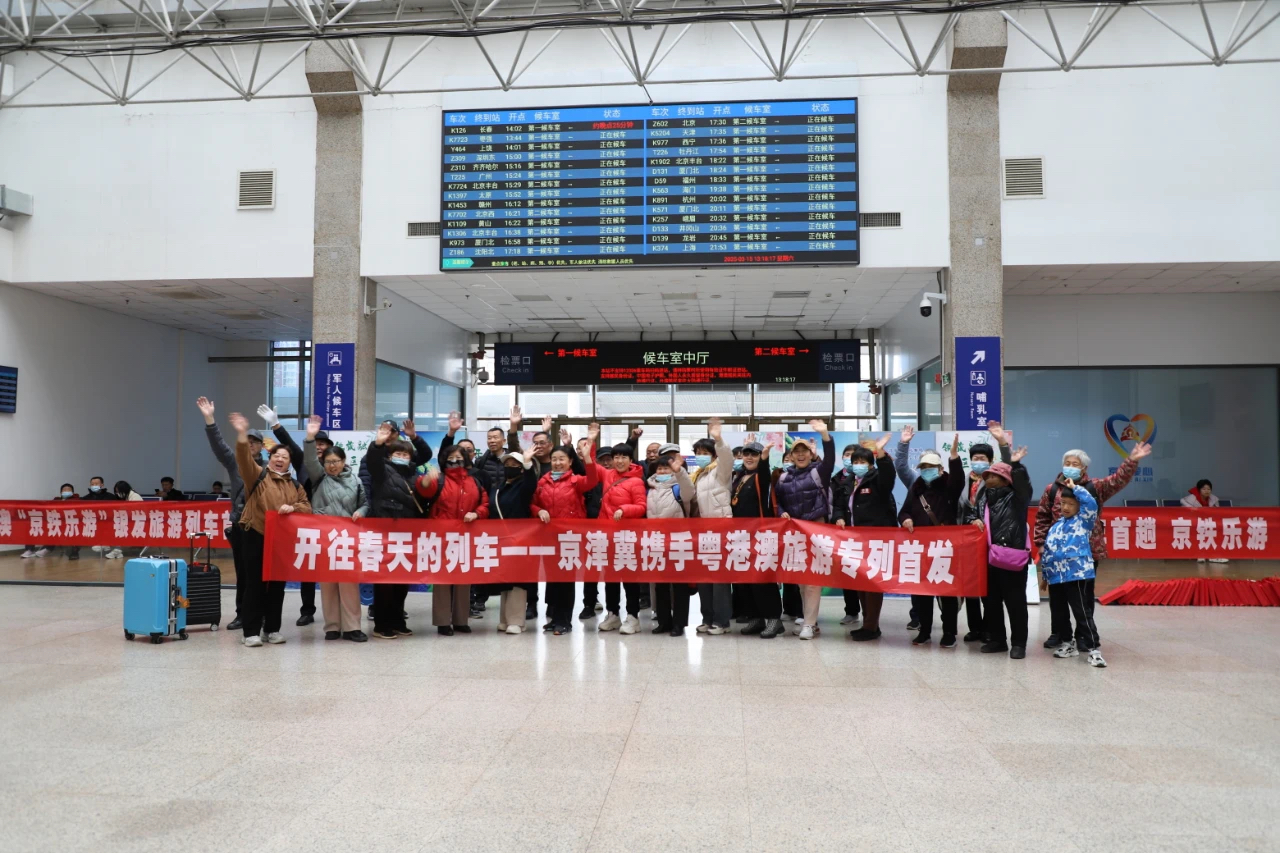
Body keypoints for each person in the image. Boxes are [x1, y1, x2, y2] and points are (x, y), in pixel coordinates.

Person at [1033, 440, 1150, 651]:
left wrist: (1131, 460)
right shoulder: (1052, 489)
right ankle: (1059, 633)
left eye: (1075, 464)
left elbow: (1118, 480)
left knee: (1083, 598)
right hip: (1057, 555)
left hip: (1085, 554)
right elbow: (1042, 518)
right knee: (1057, 597)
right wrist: (1041, 544)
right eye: (1067, 463)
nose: (1070, 467)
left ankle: (1083, 636)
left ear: (1084, 468)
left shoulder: (1095, 487)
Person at [229, 410, 311, 648]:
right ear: (270, 457)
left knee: (277, 586)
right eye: (277, 455)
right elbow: (243, 458)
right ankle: (250, 632)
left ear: (289, 462)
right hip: (255, 534)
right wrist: (242, 434)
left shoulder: (295, 485)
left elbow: (307, 508)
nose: (280, 459)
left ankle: (272, 629)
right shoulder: (257, 475)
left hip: (281, 540)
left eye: (285, 457)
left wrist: (293, 507)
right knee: (254, 584)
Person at [960, 451, 1033, 659]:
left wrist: (1016, 465)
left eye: (993, 475)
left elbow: (1024, 485)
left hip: (1011, 558)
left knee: (1015, 603)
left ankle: (1019, 644)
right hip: (988, 558)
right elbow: (971, 514)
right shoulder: (983, 498)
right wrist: (973, 520)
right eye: (987, 476)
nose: (988, 478)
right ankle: (998, 640)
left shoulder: (1017, 498)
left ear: (1005, 479)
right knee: (991, 602)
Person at [303, 416, 368, 642]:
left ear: (343, 461)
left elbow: (365, 503)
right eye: (328, 461)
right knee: (328, 584)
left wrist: (362, 511)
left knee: (349, 584)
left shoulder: (356, 481)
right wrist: (310, 437)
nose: (332, 465)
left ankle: (352, 627)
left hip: (348, 538)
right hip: (324, 538)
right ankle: (332, 626)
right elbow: (310, 460)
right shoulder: (319, 477)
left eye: (336, 461)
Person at [256, 404, 322, 628]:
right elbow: (289, 444)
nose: (320, 448)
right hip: (295, 521)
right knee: (290, 566)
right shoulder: (303, 462)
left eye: (324, 445)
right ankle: (275, 612)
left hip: (323, 523)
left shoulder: (333, 466)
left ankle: (311, 610)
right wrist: (275, 424)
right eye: (317, 444)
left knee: (313, 568)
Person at [896, 435, 966, 647]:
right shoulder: (916, 489)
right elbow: (904, 511)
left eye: (931, 467)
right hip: (921, 549)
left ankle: (949, 633)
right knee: (923, 593)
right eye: (924, 467)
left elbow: (958, 480)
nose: (927, 470)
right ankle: (924, 631)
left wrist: (954, 457)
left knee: (946, 593)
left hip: (945, 549)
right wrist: (905, 519)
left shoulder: (948, 487)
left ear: (941, 469)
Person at [197, 396, 259, 629]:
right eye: (247, 441)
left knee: (262, 574)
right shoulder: (236, 464)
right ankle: (242, 614)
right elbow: (219, 446)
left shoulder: (271, 466)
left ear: (262, 446)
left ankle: (261, 614)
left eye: (255, 442)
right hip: (241, 525)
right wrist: (209, 419)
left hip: (263, 526)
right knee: (242, 573)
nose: (250, 445)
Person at [531, 424, 601, 635]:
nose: (557, 462)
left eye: (562, 459)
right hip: (548, 537)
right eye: (554, 459)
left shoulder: (575, 481)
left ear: (570, 462)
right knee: (552, 579)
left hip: (570, 538)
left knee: (566, 580)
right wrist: (539, 511)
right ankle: (554, 619)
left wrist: (587, 456)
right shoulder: (542, 482)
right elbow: (532, 503)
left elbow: (593, 479)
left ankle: (565, 621)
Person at [416, 441, 490, 635]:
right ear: (444, 461)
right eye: (451, 458)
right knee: (442, 580)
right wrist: (425, 480)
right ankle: (442, 622)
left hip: (466, 538)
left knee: (463, 579)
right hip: (441, 538)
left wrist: (476, 513)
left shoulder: (474, 482)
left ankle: (460, 620)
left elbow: (485, 504)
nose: (455, 461)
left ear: (466, 460)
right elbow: (424, 489)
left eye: (459, 458)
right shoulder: (439, 480)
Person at [774, 421, 837, 640]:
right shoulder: (783, 478)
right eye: (796, 452)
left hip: (816, 531)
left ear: (811, 454)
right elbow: (778, 502)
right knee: (802, 580)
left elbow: (830, 459)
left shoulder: (819, 473)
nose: (800, 455)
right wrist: (782, 512)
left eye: (804, 451)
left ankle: (809, 624)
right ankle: (810, 620)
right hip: (795, 534)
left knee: (813, 580)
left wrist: (825, 435)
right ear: (791, 456)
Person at [365, 422, 426, 640]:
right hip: (385, 533)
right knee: (385, 581)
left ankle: (398, 621)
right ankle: (382, 624)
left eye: (405, 454)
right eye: (397, 453)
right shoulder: (382, 471)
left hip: (407, 534)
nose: (402, 457)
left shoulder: (414, 476)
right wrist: (377, 444)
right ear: (390, 456)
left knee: (402, 580)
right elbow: (373, 461)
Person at [834, 435, 896, 641]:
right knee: (860, 582)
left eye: (863, 462)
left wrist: (881, 454)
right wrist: (839, 517)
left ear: (871, 464)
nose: (859, 465)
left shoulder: (877, 479)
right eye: (856, 462)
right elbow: (839, 505)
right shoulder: (848, 482)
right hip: (853, 540)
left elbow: (889, 475)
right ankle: (867, 623)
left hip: (875, 540)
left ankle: (871, 626)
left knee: (872, 583)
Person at [1040, 480, 1106, 667]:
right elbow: (1049, 552)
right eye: (1063, 503)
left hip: (1077, 575)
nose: (1066, 507)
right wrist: (1045, 576)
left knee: (1081, 612)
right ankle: (1068, 644)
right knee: (1059, 612)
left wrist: (1076, 488)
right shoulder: (1056, 526)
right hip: (1056, 577)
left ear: (1078, 505)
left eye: (1070, 504)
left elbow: (1091, 503)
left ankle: (1094, 650)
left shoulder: (1084, 521)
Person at [732, 441, 784, 638]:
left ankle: (774, 620)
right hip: (740, 537)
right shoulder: (739, 477)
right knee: (745, 580)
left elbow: (763, 473)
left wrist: (765, 459)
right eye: (746, 454)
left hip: (760, 536)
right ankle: (755, 617)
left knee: (762, 579)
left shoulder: (761, 477)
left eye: (754, 454)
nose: (749, 458)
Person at [598, 440, 648, 634]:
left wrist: (624, 509)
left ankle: (633, 617)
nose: (619, 461)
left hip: (627, 537)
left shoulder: (636, 481)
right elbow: (590, 466)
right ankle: (612, 614)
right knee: (610, 578)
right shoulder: (608, 475)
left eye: (623, 457)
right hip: (607, 536)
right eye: (616, 457)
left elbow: (641, 506)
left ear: (630, 460)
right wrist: (590, 444)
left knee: (629, 578)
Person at [691, 418, 735, 635]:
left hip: (721, 531)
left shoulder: (720, 472)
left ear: (713, 455)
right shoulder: (698, 476)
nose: (701, 456)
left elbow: (727, 458)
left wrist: (718, 439)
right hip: (703, 533)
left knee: (719, 579)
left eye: (705, 452)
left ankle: (722, 621)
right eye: (697, 452)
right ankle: (707, 618)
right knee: (704, 578)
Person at [490, 450, 539, 634]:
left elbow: (531, 482)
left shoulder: (523, 486)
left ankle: (517, 621)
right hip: (501, 539)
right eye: (507, 465)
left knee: (518, 580)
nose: (509, 468)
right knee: (505, 579)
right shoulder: (498, 487)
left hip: (520, 539)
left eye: (514, 465)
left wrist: (527, 463)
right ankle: (504, 619)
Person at [647, 452, 695, 635]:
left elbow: (689, 492)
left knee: (680, 584)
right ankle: (664, 621)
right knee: (660, 585)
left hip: (678, 541)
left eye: (666, 468)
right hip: (657, 542)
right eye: (659, 468)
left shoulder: (678, 488)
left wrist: (680, 472)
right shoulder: (650, 489)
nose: (662, 471)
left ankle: (679, 623)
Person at [830, 442, 866, 628]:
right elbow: (837, 505)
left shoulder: (872, 478)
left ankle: (870, 616)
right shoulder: (837, 479)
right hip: (845, 536)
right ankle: (851, 611)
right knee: (848, 573)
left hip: (866, 537)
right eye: (847, 455)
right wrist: (838, 517)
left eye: (855, 456)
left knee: (866, 576)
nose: (850, 459)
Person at [578, 445, 610, 619]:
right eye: (602, 460)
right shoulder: (590, 479)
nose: (606, 463)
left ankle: (614, 609)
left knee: (614, 570)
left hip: (615, 531)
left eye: (609, 459)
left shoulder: (621, 479)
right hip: (593, 530)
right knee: (591, 569)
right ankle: (589, 604)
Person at [21, 484, 79, 560]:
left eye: (68, 490)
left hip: (67, 524)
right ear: (61, 492)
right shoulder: (56, 500)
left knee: (54, 527)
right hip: (53, 521)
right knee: (32, 525)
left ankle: (47, 549)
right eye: (64, 490)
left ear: (72, 492)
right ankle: (30, 550)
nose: (66, 491)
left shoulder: (77, 500)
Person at [1182, 480, 1229, 564]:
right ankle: (1203, 554)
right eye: (1204, 489)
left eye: (1209, 489)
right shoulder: (1189, 500)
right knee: (1204, 529)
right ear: (1199, 490)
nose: (1207, 491)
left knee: (1218, 528)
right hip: (1194, 523)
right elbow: (1186, 515)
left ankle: (1213, 555)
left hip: (1209, 522)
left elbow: (1218, 514)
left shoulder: (1214, 499)